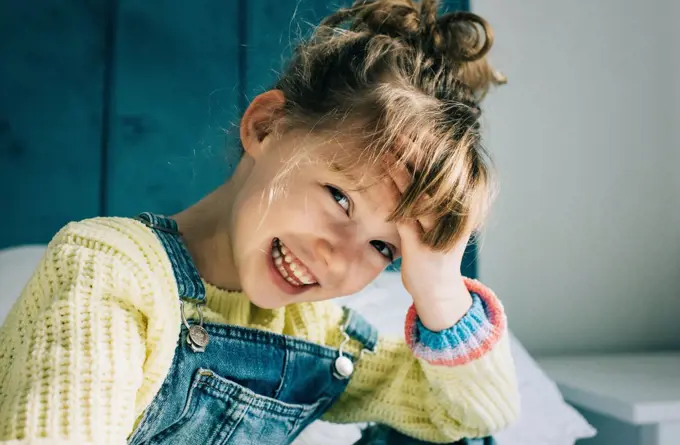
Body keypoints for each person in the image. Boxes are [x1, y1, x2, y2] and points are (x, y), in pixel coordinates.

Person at [0, 1, 518, 444]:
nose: (338, 258)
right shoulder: (112, 271)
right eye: (340, 199)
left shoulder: (312, 332)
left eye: (384, 248)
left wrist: (441, 293)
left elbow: (469, 417)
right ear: (265, 126)